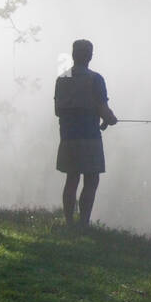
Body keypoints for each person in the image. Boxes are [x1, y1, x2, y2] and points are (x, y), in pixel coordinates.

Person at [54, 39, 117, 227]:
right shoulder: (95, 79)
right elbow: (103, 108)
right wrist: (110, 119)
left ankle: (68, 222)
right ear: (89, 56)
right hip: (89, 137)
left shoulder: (62, 79)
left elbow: (58, 110)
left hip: (67, 136)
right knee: (91, 179)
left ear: (74, 55)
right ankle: (83, 223)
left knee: (71, 179)